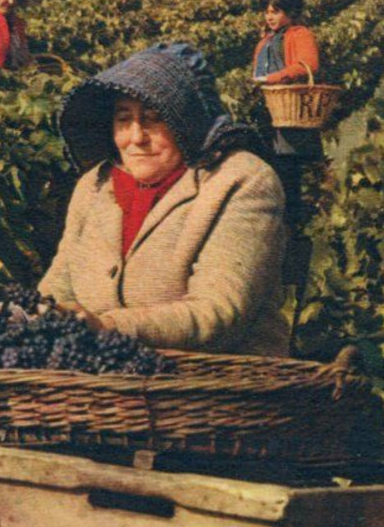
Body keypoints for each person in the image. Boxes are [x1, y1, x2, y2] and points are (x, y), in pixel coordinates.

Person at [39, 42, 288, 355]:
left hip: (216, 390)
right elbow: (57, 288)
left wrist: (106, 327)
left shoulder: (240, 180)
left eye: (154, 118)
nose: (136, 137)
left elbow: (219, 312)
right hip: (102, 391)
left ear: (186, 123)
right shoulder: (95, 185)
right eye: (123, 119)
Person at [252, 0, 325, 227]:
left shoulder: (299, 34)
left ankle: (292, 225)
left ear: (290, 12)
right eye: (267, 12)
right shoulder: (266, 40)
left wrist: (273, 78)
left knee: (287, 170)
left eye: (276, 12)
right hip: (269, 111)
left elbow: (308, 65)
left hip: (290, 110)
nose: (269, 17)